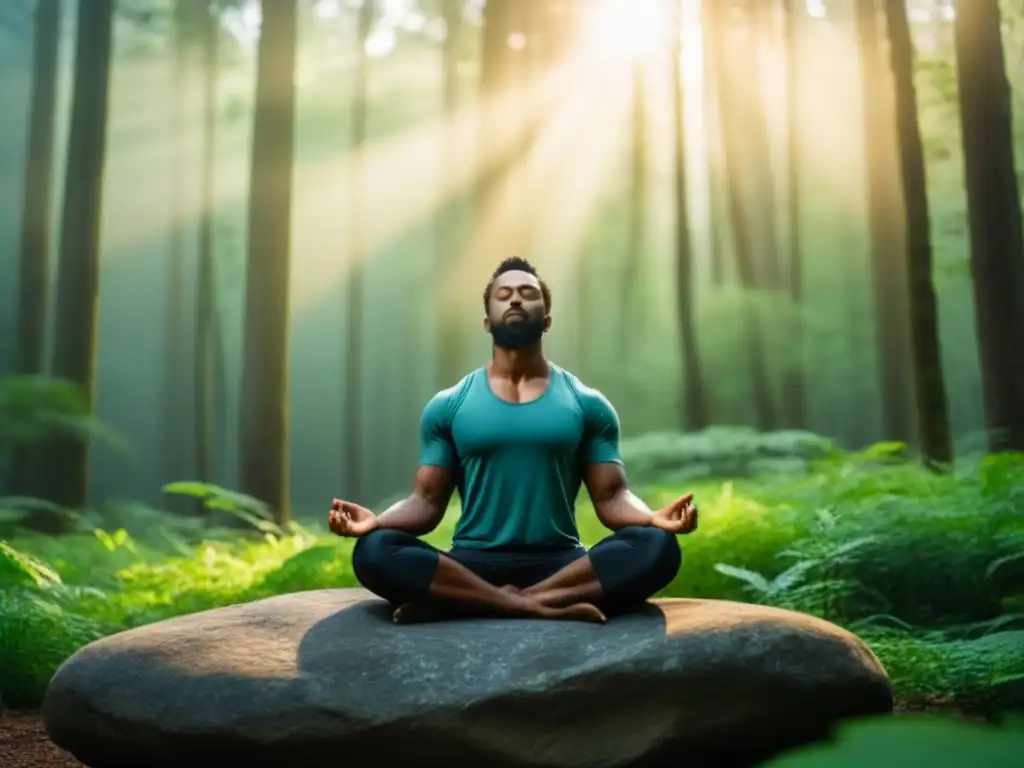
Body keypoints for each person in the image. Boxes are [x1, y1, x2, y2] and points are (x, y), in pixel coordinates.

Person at [328, 257, 698, 624]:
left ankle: (469, 604)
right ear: (488, 321)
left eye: (528, 293)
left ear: (547, 320)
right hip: (473, 562)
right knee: (375, 551)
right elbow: (424, 502)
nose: (516, 300)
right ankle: (537, 605)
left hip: (560, 563)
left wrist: (653, 518)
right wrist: (375, 524)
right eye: (504, 294)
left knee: (657, 546)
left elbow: (612, 497)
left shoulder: (587, 403)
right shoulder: (448, 405)